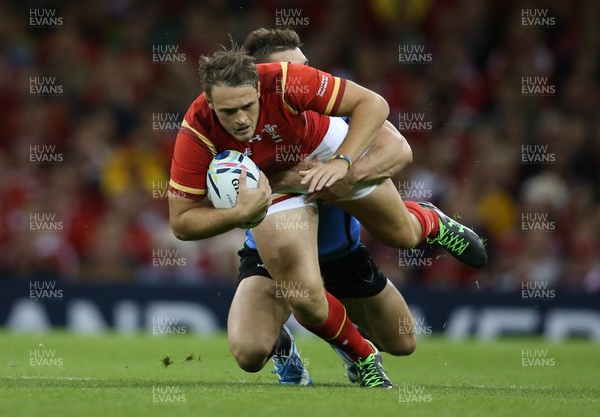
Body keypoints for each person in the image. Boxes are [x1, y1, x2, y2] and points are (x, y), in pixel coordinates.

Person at [168, 42, 486, 388]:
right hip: (277, 193)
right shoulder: (197, 130)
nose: (241, 119)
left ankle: (427, 220)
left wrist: (343, 164)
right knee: (276, 324)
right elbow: (182, 223)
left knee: (403, 296)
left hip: (322, 159)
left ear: (260, 86)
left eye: (247, 106)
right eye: (229, 112)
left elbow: (380, 114)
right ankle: (363, 358)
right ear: (210, 103)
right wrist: (240, 212)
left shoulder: (289, 82)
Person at [226, 28, 417, 387]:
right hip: (275, 262)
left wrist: (345, 171)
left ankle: (425, 218)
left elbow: (400, 151)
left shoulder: (337, 111)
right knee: (249, 352)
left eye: (306, 68)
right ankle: (287, 350)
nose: (306, 79)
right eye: (291, 72)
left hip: (341, 255)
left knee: (403, 342)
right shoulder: (240, 127)